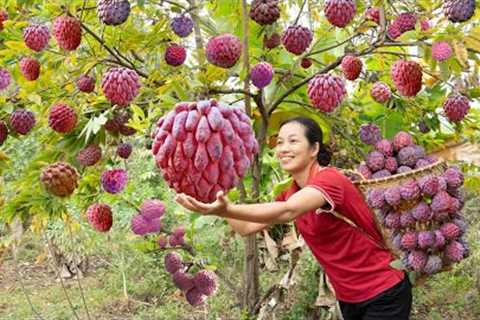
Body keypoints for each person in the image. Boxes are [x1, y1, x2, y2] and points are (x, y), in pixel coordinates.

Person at [175, 116, 412, 320]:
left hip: (384, 291)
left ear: (314, 149)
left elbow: (289, 211)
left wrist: (226, 209)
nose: (283, 148)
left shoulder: (331, 180)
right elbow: (246, 227)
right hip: (349, 298)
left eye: (293, 141)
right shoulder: (290, 192)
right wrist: (214, 188)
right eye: (279, 143)